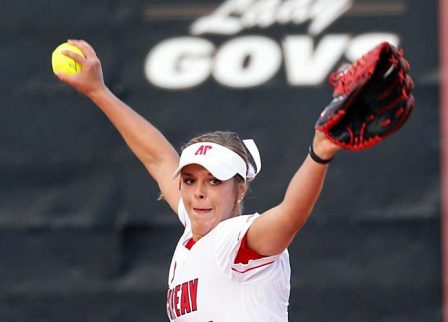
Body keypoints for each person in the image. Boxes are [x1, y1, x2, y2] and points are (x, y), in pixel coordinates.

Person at [55, 39, 342, 322]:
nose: (199, 193)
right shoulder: (194, 232)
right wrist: (98, 91)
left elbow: (290, 215)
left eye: (215, 181)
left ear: (240, 189)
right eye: (190, 180)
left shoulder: (237, 241)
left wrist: (319, 153)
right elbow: (157, 158)